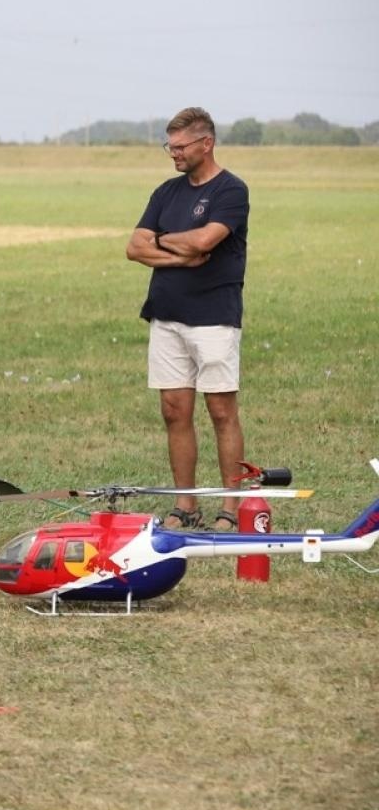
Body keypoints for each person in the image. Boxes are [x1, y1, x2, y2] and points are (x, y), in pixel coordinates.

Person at [125, 107, 250, 531]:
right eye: (169, 146)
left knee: (220, 411)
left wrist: (165, 245)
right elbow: (134, 247)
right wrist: (175, 250)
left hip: (213, 317)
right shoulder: (166, 192)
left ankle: (230, 508)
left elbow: (204, 239)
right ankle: (185, 505)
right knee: (174, 410)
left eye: (179, 147)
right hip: (167, 316)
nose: (172, 154)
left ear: (206, 143)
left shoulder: (231, 191)